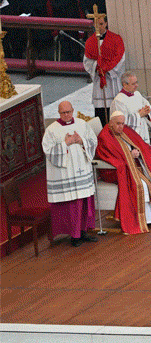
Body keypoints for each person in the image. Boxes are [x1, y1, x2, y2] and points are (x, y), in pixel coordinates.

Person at [96, 112, 151, 235]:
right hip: (114, 171)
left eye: (123, 123)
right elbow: (109, 157)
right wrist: (129, 156)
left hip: (131, 165)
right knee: (141, 184)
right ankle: (140, 219)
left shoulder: (125, 130)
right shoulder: (105, 137)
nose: (121, 127)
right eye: (118, 124)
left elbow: (139, 144)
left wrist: (138, 152)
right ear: (110, 123)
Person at [42, 101, 98, 247]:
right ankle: (74, 236)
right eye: (63, 112)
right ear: (59, 113)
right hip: (66, 174)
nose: (66, 115)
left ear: (73, 110)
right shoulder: (51, 130)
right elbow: (48, 151)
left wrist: (81, 140)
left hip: (82, 170)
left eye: (69, 111)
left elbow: (93, 141)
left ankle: (84, 231)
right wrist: (65, 144)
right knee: (73, 206)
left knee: (84, 203)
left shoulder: (82, 124)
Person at [82, 11, 126, 125]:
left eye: (101, 24)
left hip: (112, 80)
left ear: (106, 23)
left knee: (114, 111)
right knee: (101, 113)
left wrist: (107, 69)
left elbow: (120, 58)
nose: (99, 27)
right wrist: (97, 67)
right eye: (96, 25)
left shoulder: (115, 39)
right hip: (99, 82)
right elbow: (87, 62)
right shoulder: (90, 42)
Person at [112, 72, 151, 144]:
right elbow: (121, 122)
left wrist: (147, 111)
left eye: (136, 82)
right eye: (133, 84)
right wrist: (139, 115)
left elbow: (148, 106)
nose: (136, 85)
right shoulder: (118, 100)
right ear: (124, 84)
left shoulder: (137, 94)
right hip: (130, 137)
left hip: (143, 131)